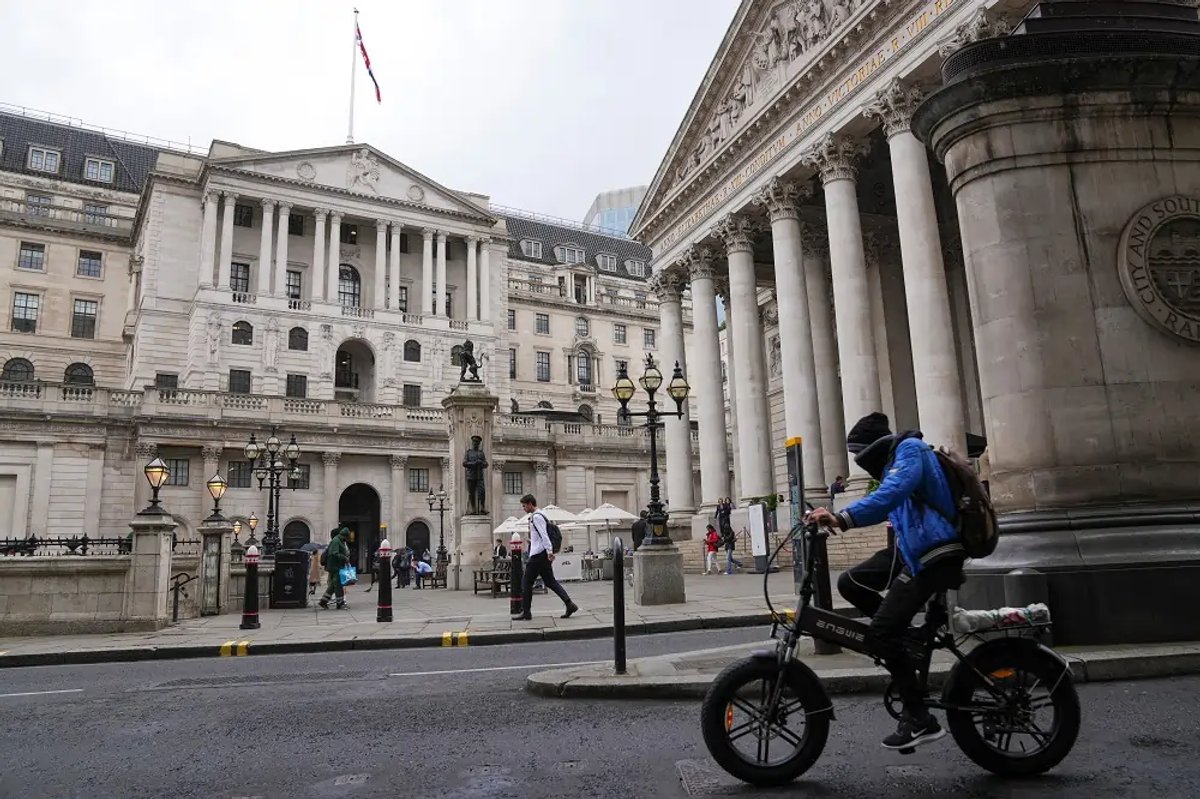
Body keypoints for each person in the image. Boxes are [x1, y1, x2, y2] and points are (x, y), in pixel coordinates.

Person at [808, 412, 964, 751]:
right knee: (850, 583)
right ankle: (903, 642)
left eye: (858, 455)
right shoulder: (895, 463)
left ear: (872, 448)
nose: (859, 463)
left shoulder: (910, 450)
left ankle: (919, 717)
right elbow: (887, 504)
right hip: (915, 551)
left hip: (937, 552)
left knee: (881, 632)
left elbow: (891, 494)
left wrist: (842, 517)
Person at [513, 494, 578, 620]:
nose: (523, 508)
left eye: (524, 506)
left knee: (526, 582)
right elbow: (540, 537)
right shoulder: (541, 515)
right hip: (542, 553)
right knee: (550, 581)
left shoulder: (537, 517)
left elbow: (544, 535)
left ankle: (526, 612)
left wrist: (549, 552)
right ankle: (569, 604)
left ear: (530, 504)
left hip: (538, 555)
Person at [318, 527, 351, 610]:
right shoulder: (336, 541)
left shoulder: (340, 541)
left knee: (333, 585)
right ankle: (340, 603)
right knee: (338, 585)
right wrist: (344, 558)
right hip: (335, 566)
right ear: (344, 536)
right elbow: (334, 553)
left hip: (338, 566)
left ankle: (323, 601)